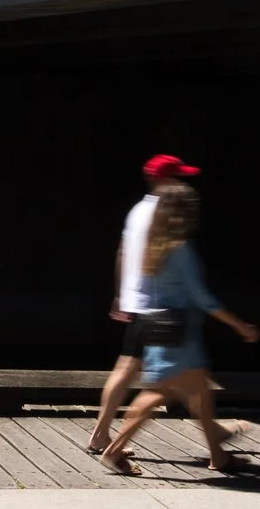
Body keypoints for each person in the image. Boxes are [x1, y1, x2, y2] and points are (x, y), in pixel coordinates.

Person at [100, 180, 260, 476]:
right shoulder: (181, 250)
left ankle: (218, 457)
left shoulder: (154, 247)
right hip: (181, 335)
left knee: (194, 394)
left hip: (159, 330)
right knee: (159, 396)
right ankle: (113, 449)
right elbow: (203, 299)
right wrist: (240, 326)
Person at [87, 154, 195, 454]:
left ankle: (100, 434)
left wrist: (122, 294)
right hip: (159, 303)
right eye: (178, 176)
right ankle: (214, 432)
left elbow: (122, 253)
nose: (181, 181)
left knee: (128, 369)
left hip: (139, 300)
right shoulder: (163, 211)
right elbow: (167, 257)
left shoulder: (137, 210)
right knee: (180, 372)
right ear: (165, 179)